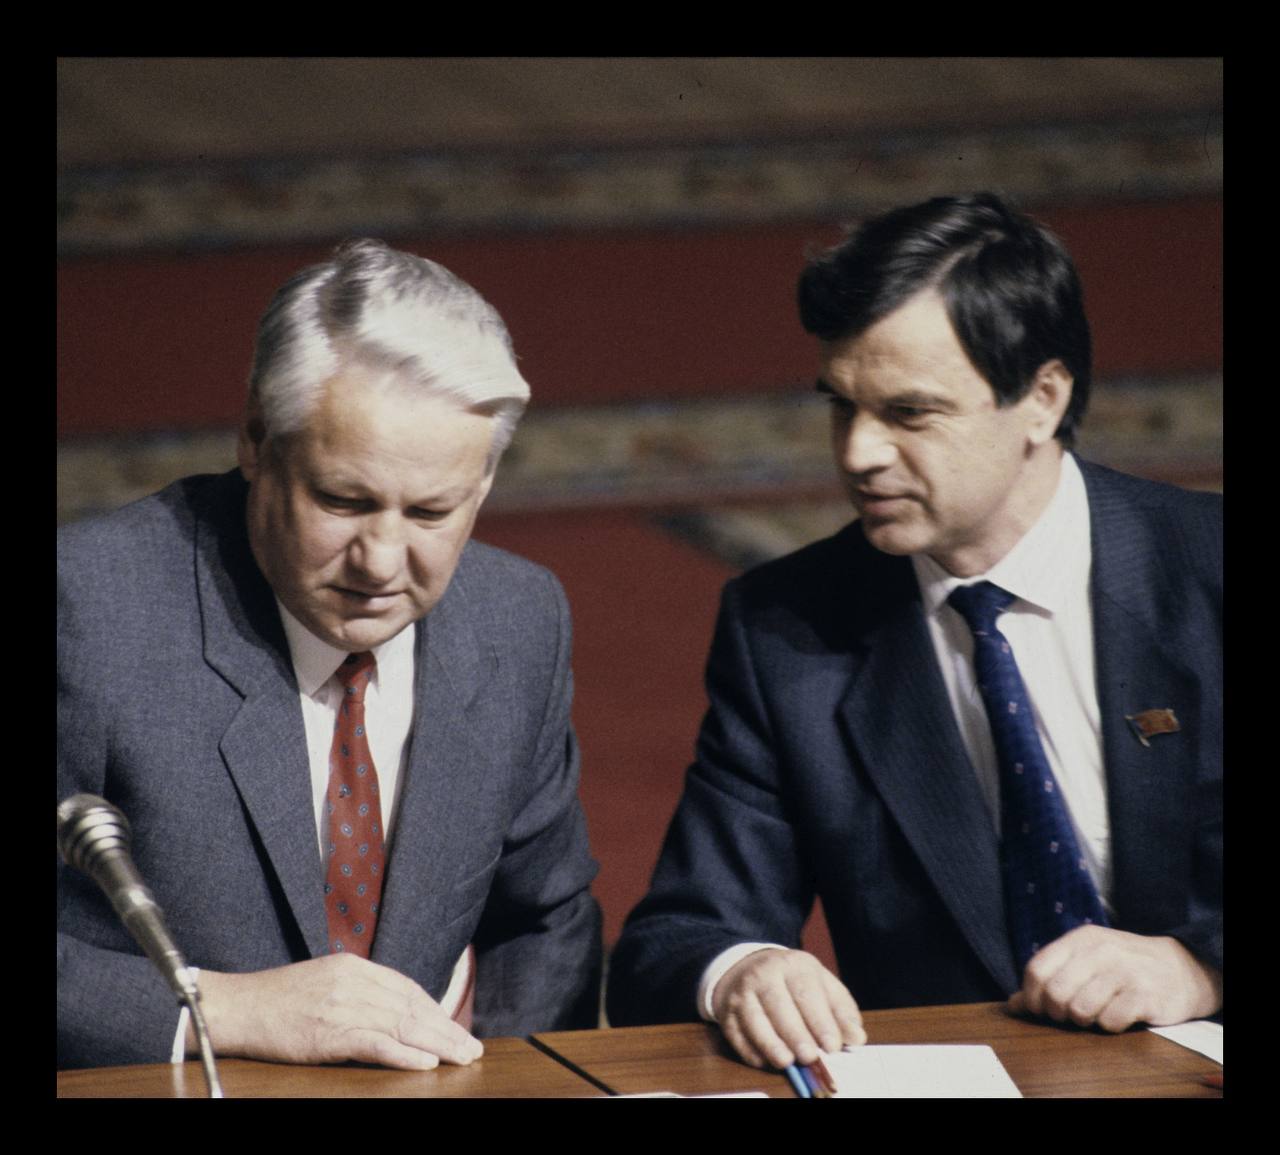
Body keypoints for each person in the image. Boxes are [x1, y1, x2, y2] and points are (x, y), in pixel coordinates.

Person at [607, 193, 1221, 1070]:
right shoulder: (788, 627)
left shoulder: (1209, 571)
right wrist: (740, 970)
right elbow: (676, 937)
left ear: (1043, 399)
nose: (857, 453)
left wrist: (1200, 966)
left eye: (909, 413)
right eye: (841, 406)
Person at [58, 239, 602, 1070]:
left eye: (430, 513)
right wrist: (223, 1009)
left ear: (483, 484)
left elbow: (546, 917)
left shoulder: (518, 618)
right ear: (255, 439)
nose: (380, 562)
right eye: (343, 501)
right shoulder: (90, 612)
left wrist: (502, 1082)